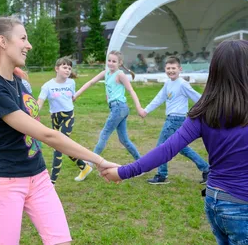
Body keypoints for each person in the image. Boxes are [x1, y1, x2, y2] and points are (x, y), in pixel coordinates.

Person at [0, 17, 118, 245]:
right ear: (2, 42)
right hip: (6, 183)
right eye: (23, 38)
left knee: (61, 241)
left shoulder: (16, 80)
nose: (29, 45)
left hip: (38, 177)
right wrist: (98, 160)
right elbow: (48, 135)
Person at [101, 40, 248, 245]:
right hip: (241, 205)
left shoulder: (203, 111)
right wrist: (124, 171)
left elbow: (167, 149)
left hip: (215, 201)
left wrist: (124, 171)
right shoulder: (204, 111)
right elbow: (167, 148)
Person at [139, 56, 209, 185]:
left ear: (180, 69)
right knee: (181, 147)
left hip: (176, 120)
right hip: (173, 119)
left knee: (162, 146)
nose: (171, 71)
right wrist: (146, 110)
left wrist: (209, 107)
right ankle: (206, 170)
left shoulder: (182, 84)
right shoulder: (168, 84)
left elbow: (196, 97)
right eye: (168, 68)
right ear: (165, 69)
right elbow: (159, 98)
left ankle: (161, 175)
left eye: (173, 68)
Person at [73, 50, 143, 162]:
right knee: (124, 140)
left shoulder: (120, 75)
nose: (110, 63)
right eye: (109, 60)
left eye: (114, 61)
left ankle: (90, 162)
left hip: (119, 108)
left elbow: (131, 91)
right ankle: (141, 162)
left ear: (120, 63)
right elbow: (91, 82)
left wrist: (139, 108)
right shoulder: (106, 73)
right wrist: (76, 95)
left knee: (104, 134)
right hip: (118, 108)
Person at [37, 57, 93, 184]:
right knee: (63, 145)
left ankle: (52, 182)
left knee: (59, 147)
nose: (67, 70)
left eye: (69, 68)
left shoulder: (71, 83)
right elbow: (40, 102)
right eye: (64, 67)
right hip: (55, 118)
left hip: (68, 116)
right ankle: (84, 167)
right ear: (57, 69)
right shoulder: (47, 86)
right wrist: (33, 113)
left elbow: (72, 98)